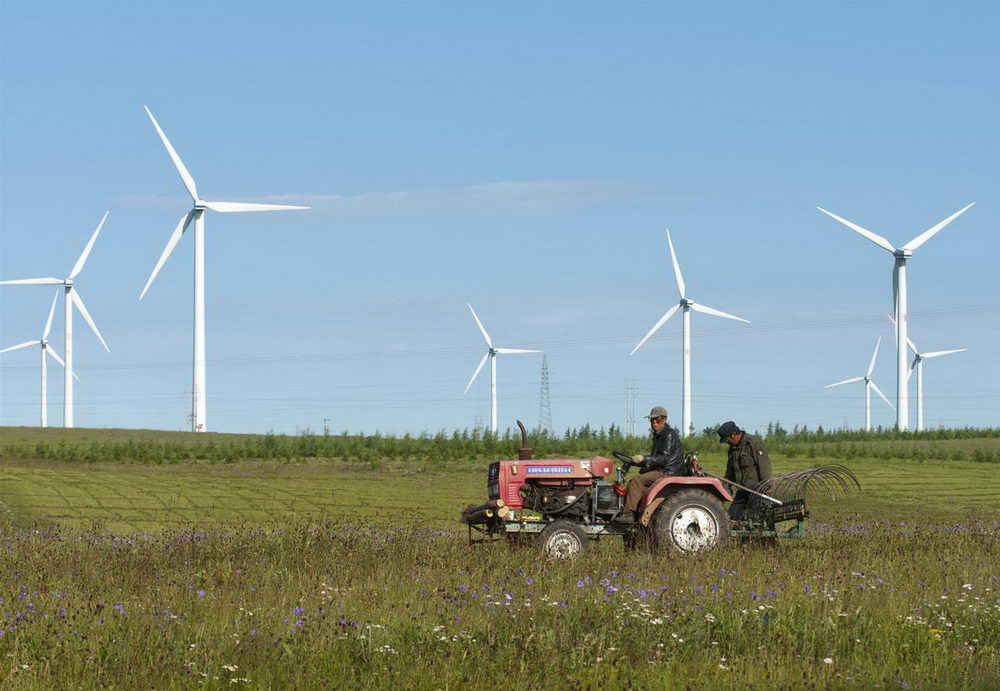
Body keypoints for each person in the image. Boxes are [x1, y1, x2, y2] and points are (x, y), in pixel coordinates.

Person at [613, 406, 684, 524]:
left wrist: (644, 458)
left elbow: (664, 458)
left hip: (667, 472)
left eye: (658, 420)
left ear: (665, 420)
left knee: (636, 482)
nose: (654, 423)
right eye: (652, 420)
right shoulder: (659, 435)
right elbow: (658, 458)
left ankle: (629, 514)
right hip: (662, 469)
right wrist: (640, 461)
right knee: (636, 483)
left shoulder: (668, 434)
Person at [717, 420, 772, 520]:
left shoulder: (752, 443)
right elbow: (729, 473)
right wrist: (724, 491)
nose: (727, 442)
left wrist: (765, 491)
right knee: (731, 519)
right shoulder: (732, 449)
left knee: (757, 520)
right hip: (742, 491)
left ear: (733, 435)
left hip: (756, 492)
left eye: (727, 440)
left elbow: (765, 467)